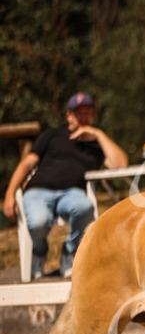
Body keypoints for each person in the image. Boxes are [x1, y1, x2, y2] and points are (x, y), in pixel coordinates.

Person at [3, 92, 128, 279]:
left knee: (85, 207)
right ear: (69, 116)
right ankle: (39, 252)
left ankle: (70, 251)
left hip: (72, 193)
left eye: (88, 113)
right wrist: (10, 194)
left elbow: (121, 164)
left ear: (93, 116)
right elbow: (27, 164)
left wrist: (98, 134)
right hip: (39, 191)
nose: (84, 117)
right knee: (38, 221)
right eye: (79, 113)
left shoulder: (96, 145)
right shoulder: (53, 135)